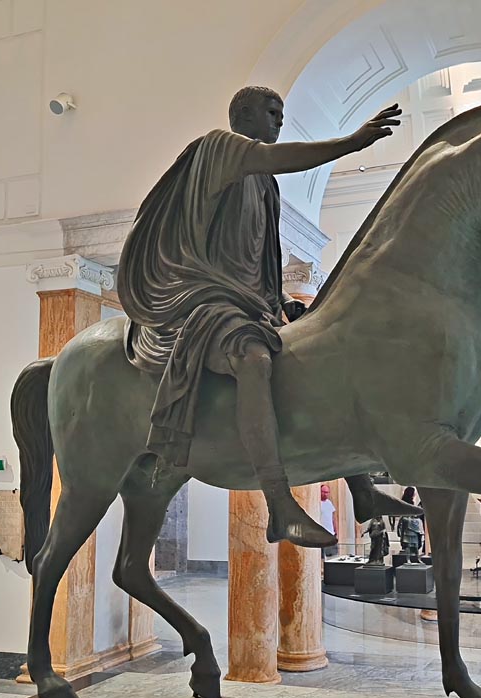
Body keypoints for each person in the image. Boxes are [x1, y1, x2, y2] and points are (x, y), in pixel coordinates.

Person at [117, 85, 401, 549]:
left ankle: (363, 491)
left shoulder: (264, 185)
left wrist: (279, 306)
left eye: (282, 112)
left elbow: (261, 262)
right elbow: (282, 158)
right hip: (204, 299)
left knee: (316, 353)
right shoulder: (221, 147)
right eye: (272, 111)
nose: (279, 120)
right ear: (243, 115)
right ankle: (279, 504)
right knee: (253, 357)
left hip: (247, 303)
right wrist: (351, 143)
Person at [319, 484, 338, 559]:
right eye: (323, 492)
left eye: (327, 492)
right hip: (321, 533)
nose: (325, 494)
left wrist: (336, 530)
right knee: (322, 556)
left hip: (330, 532)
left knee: (332, 555)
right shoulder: (318, 503)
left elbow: (333, 517)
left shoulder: (329, 503)